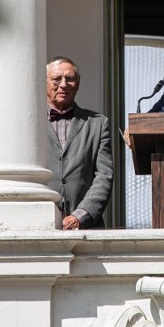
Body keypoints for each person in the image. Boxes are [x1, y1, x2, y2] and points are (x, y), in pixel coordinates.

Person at [46, 56, 114, 230]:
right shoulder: (30, 123)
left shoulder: (98, 123)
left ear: (78, 83)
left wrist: (81, 215)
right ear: (43, 82)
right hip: (38, 226)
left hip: (86, 229)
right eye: (56, 79)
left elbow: (104, 176)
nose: (63, 85)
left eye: (70, 78)